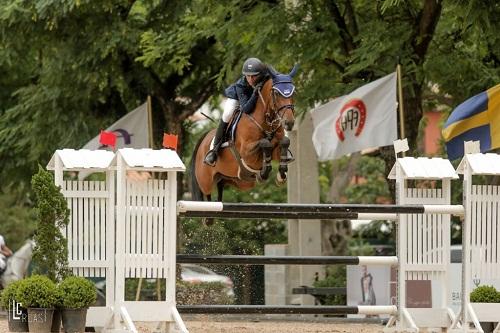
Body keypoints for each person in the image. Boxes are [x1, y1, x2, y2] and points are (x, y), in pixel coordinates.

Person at [204, 57, 269, 166]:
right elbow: (246, 109)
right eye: (248, 76)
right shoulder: (241, 85)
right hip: (237, 98)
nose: (251, 79)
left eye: (254, 76)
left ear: (261, 74)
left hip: (254, 97)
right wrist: (255, 93)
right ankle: (214, 150)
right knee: (227, 114)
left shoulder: (266, 78)